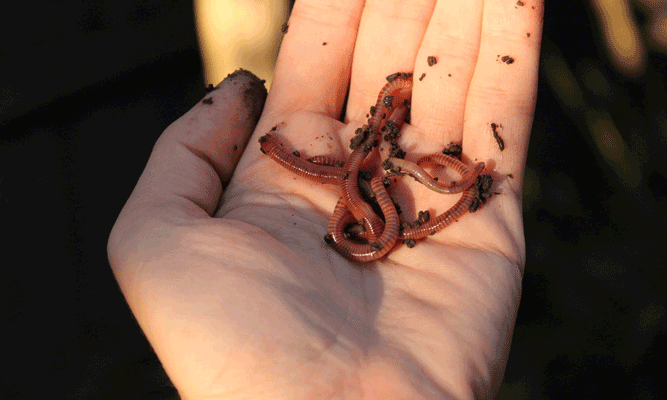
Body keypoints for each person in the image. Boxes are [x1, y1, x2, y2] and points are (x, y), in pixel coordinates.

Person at [108, 0, 543, 398]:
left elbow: (360, 175)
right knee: (361, 183)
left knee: (362, 180)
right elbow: (358, 179)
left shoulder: (362, 183)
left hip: (374, 215)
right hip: (375, 224)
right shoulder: (358, 198)